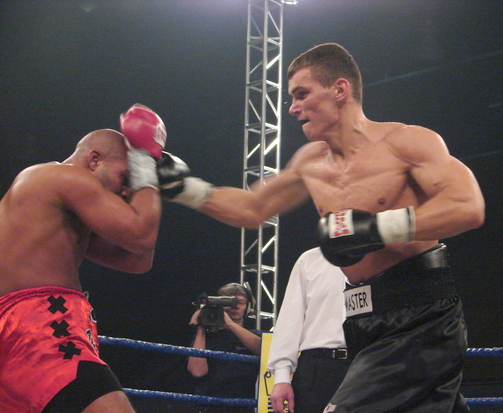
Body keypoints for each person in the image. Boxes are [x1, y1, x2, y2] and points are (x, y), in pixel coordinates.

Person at [160, 43, 485, 411]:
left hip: (421, 314)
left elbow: (467, 206)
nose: (292, 107)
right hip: (362, 320)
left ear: (340, 89)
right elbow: (252, 207)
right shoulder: (310, 163)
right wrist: (183, 188)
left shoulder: (405, 142)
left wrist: (377, 228)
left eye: (302, 94)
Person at [0, 105, 165, 413]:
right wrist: (145, 165)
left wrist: (143, 186)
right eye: (124, 177)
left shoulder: (56, 214)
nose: (126, 191)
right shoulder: (62, 177)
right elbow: (141, 235)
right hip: (38, 327)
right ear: (94, 160)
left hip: (23, 332)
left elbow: (138, 259)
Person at [267, 247, 351, 413]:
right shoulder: (310, 260)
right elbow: (290, 319)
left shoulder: (380, 257)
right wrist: (282, 378)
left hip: (364, 364)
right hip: (316, 367)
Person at [188, 283, 262, 413]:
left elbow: (262, 349)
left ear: (248, 307)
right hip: (208, 407)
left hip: (242, 407)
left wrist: (229, 324)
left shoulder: (254, 336)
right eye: (229, 302)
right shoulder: (205, 338)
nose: (235, 307)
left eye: (240, 302)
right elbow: (197, 371)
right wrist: (200, 328)